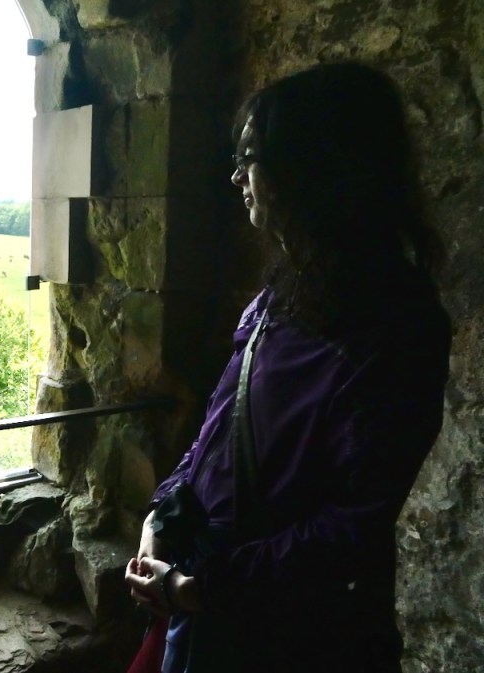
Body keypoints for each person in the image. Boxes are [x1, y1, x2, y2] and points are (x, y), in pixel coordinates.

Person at [123, 62, 451, 672]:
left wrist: (200, 589)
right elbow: (216, 441)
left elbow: (350, 526)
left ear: (310, 170)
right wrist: (163, 514)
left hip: (289, 639)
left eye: (251, 157)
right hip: (205, 608)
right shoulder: (283, 297)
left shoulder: (395, 327)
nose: (235, 176)